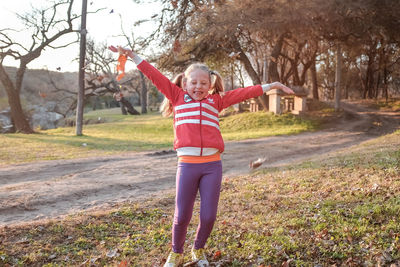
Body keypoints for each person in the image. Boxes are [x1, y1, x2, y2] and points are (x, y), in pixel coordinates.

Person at [109, 46, 294, 267]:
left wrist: (270, 86)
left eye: (204, 83)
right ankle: (176, 253)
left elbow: (244, 92)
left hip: (212, 166)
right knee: (182, 215)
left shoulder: (216, 101)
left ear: (210, 85)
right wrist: (133, 56)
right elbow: (154, 75)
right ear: (185, 84)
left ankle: (198, 250)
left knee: (208, 216)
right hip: (187, 166)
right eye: (194, 83)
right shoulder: (177, 97)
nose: (199, 87)